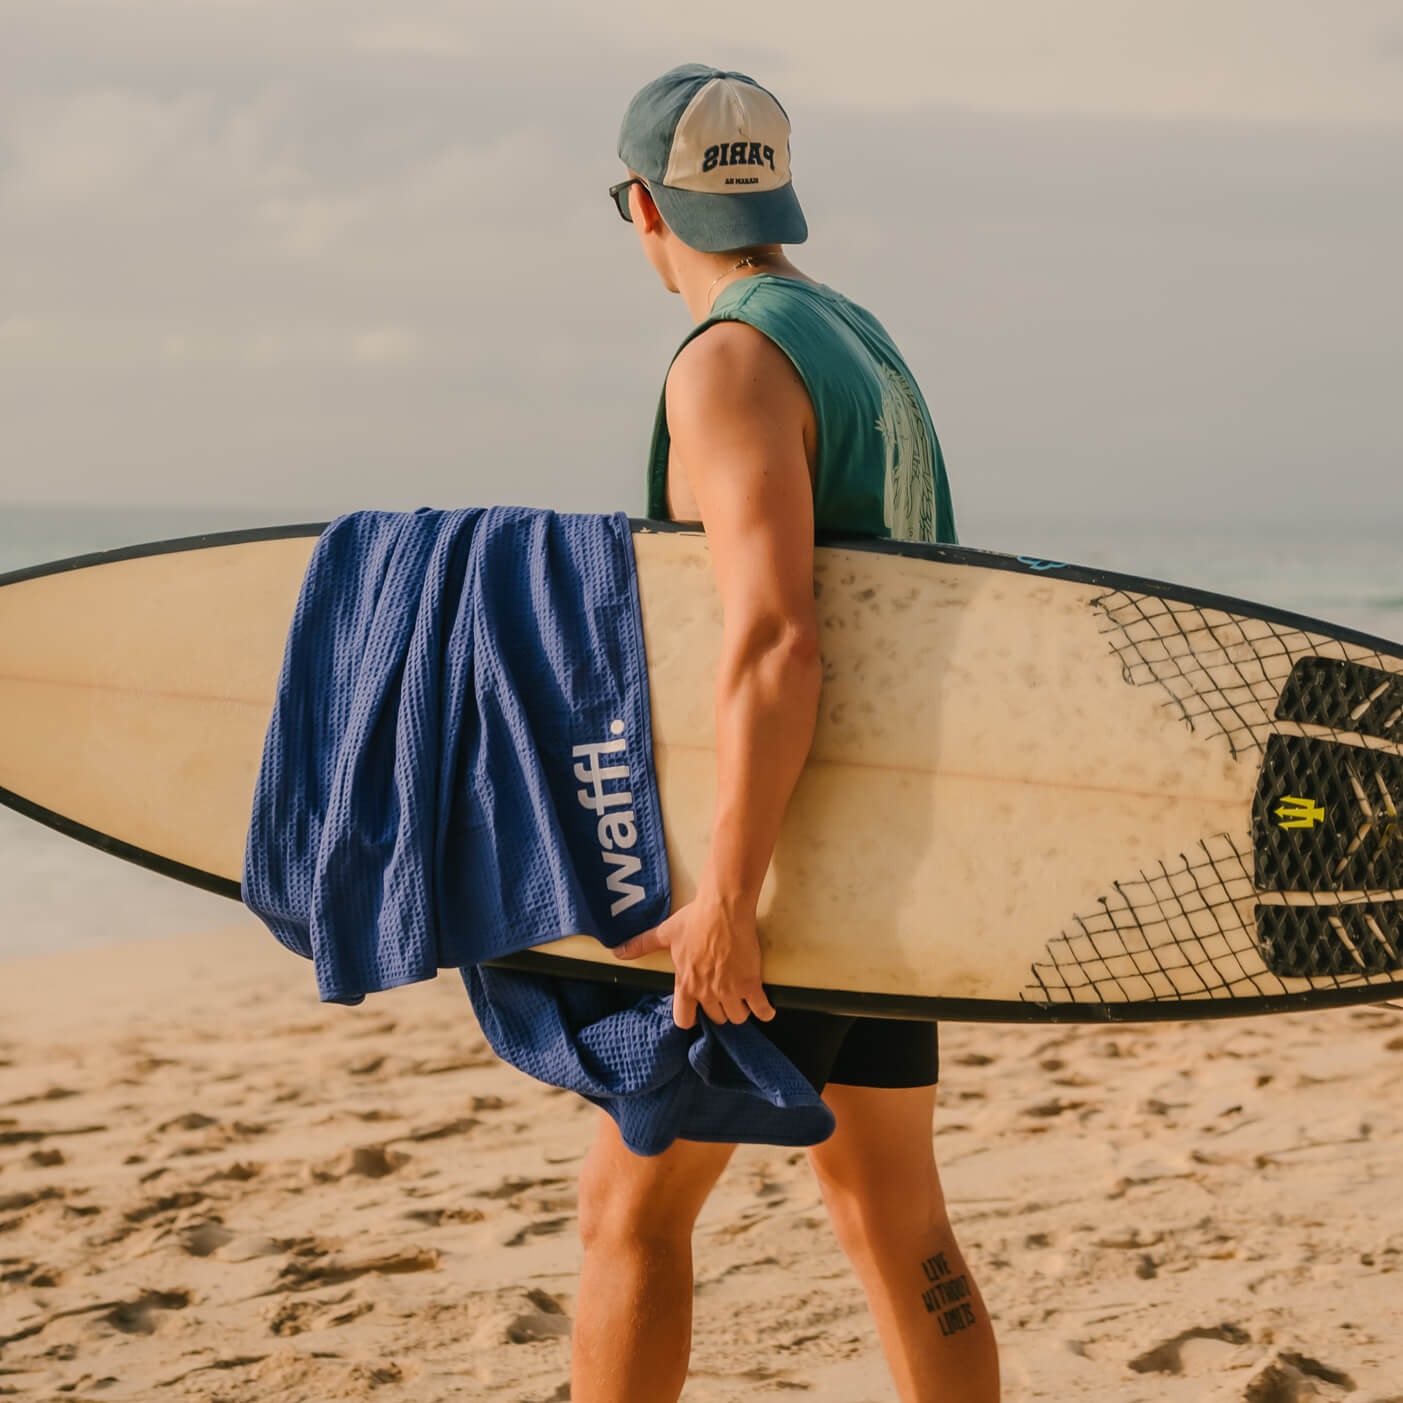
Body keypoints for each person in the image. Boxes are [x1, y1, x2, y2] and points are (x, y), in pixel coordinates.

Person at [571, 64, 1000, 1403]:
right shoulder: (857, 339)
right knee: (896, 1220)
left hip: (793, 878)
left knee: (627, 1219)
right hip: (887, 864)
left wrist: (731, 900)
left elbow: (775, 639)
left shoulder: (730, 361)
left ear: (641, 204)